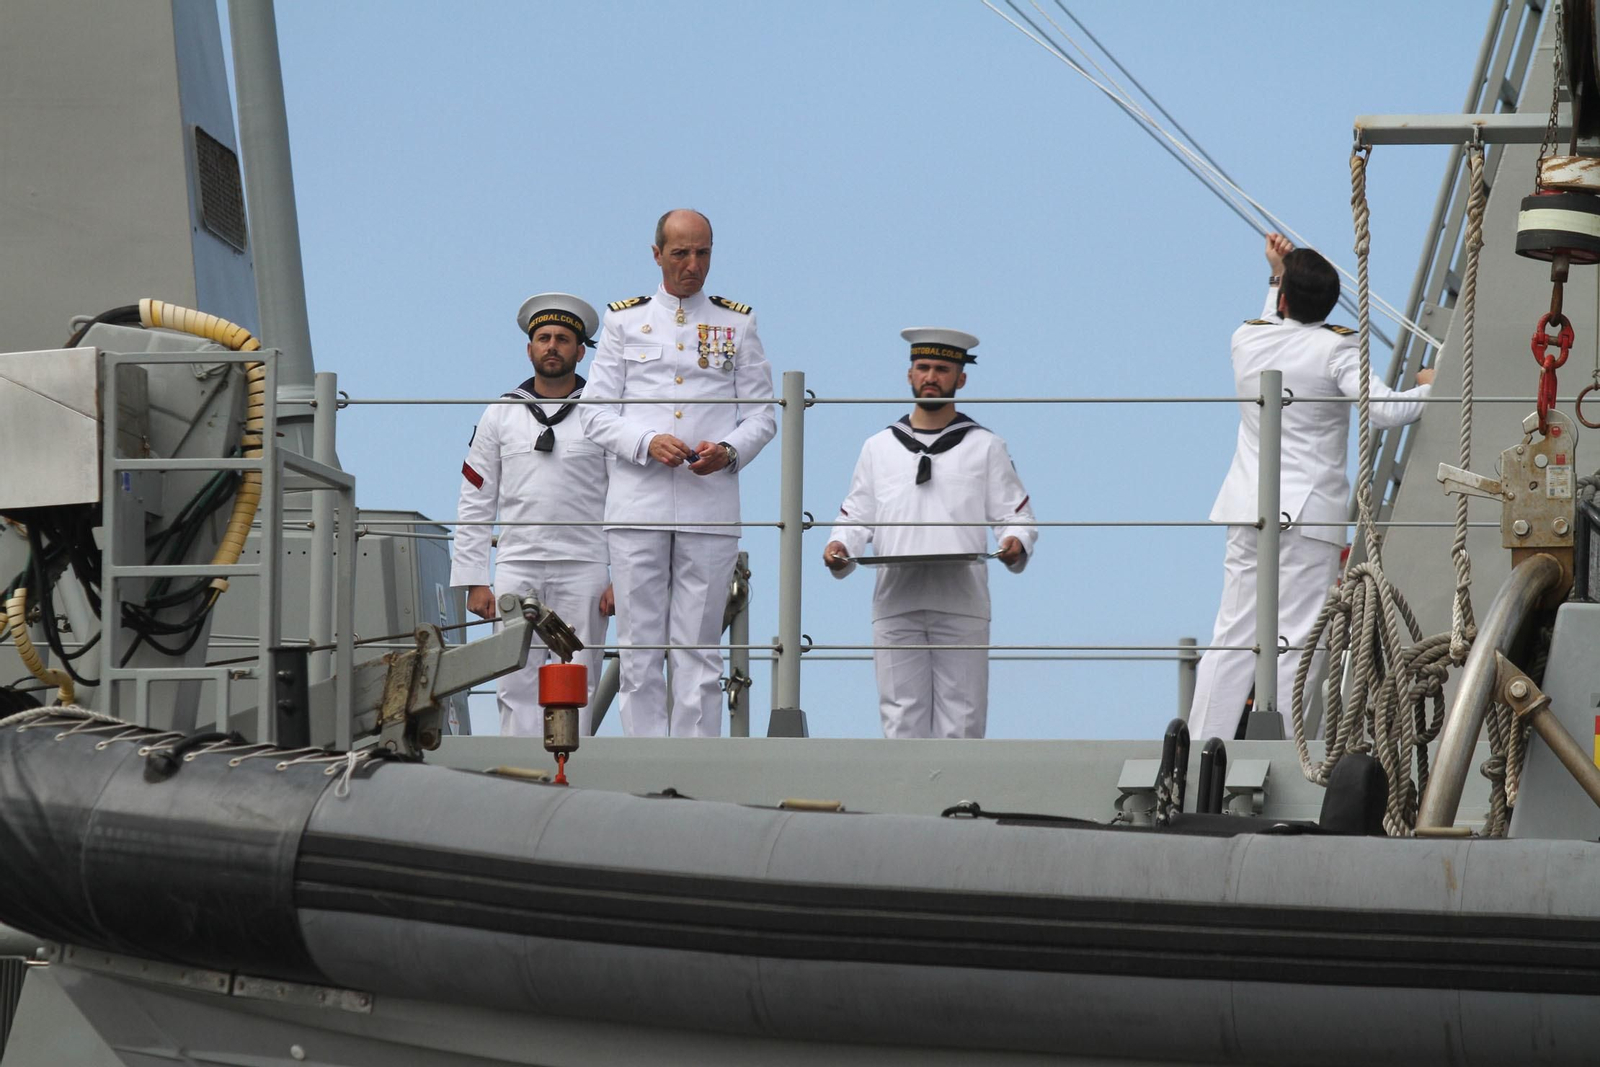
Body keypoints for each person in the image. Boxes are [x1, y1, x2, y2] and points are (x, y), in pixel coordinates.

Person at [1187, 234, 1435, 742]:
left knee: (1232, 636)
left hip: (1248, 509)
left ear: (1282, 299)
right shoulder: (1336, 347)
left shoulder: (1246, 339)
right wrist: (1432, 386)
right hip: (1310, 520)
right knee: (1296, 641)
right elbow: (1385, 411)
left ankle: (1197, 749)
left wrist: (1276, 273)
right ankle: (1275, 750)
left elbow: (1274, 323)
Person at [578, 210, 776, 736]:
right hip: (637, 504)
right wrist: (646, 442)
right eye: (681, 253)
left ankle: (697, 760)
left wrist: (729, 451)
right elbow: (594, 413)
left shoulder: (738, 323)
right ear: (657, 254)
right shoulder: (623, 321)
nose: (692, 265)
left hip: (709, 505)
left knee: (699, 646)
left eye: (702, 253)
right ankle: (645, 758)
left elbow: (763, 415)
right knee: (639, 645)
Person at [822, 328, 1038, 739]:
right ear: (909, 375)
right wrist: (839, 546)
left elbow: (1017, 517)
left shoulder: (985, 446)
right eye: (923, 367)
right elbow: (856, 517)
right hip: (896, 600)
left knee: (963, 721)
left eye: (942, 369)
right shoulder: (878, 447)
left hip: (960, 600)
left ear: (961, 379)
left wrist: (1014, 543)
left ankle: (959, 786)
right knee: (900, 721)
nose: (931, 377)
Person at [451, 293, 614, 737]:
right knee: (514, 679)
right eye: (544, 338)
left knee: (580, 677)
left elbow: (626, 498)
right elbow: (476, 496)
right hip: (517, 564)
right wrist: (474, 578)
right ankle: (517, 769)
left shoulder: (604, 414)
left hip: (584, 566)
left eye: (563, 339)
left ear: (580, 352)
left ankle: (574, 769)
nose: (552, 346)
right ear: (529, 349)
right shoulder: (501, 414)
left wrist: (622, 576)